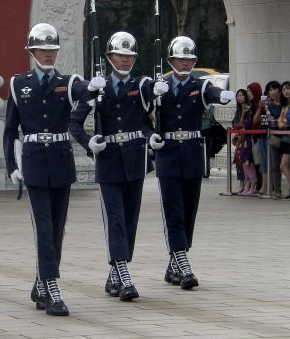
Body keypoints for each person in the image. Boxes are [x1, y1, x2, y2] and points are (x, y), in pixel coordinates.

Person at [69, 31, 166, 302]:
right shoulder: (97, 88)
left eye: (129, 56)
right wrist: (90, 143)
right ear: (110, 57)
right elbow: (74, 124)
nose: (125, 60)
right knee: (115, 219)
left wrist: (151, 136)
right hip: (109, 161)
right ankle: (123, 275)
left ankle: (115, 273)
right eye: (120, 56)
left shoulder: (139, 86)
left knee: (130, 219)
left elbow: (144, 123)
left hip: (135, 159)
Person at [3, 23, 85, 316]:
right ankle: (51, 285)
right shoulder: (18, 83)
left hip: (61, 160)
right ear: (32, 50)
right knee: (44, 227)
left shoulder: (68, 81)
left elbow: (83, 92)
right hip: (35, 161)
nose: (49, 55)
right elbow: (10, 129)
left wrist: (97, 87)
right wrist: (12, 166)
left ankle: (41, 281)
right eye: (43, 50)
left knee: (58, 228)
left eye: (52, 50)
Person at [150, 36, 234, 290]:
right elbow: (143, 112)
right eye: (181, 59)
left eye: (189, 60)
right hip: (168, 153)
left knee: (189, 211)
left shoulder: (200, 86)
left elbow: (213, 93)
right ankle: (182, 260)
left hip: (192, 154)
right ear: (171, 60)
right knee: (173, 209)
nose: (185, 63)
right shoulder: (159, 86)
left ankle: (176, 260)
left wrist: (224, 95)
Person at [231, 89, 256, 195]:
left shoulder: (250, 109)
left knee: (248, 162)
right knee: (240, 162)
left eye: (242, 95)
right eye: (238, 96)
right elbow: (236, 125)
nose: (240, 97)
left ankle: (251, 185)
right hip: (240, 140)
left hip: (248, 138)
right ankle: (243, 185)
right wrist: (242, 115)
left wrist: (245, 113)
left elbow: (247, 124)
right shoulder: (238, 111)